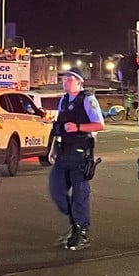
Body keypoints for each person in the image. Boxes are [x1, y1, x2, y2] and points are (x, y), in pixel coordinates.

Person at [48, 67, 105, 250]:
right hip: (63, 152)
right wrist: (51, 149)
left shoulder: (87, 99)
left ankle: (81, 232)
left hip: (80, 153)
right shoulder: (64, 100)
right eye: (64, 79)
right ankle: (75, 225)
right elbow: (59, 127)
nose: (66, 82)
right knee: (57, 191)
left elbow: (99, 125)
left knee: (80, 194)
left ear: (79, 82)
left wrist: (78, 127)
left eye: (70, 79)